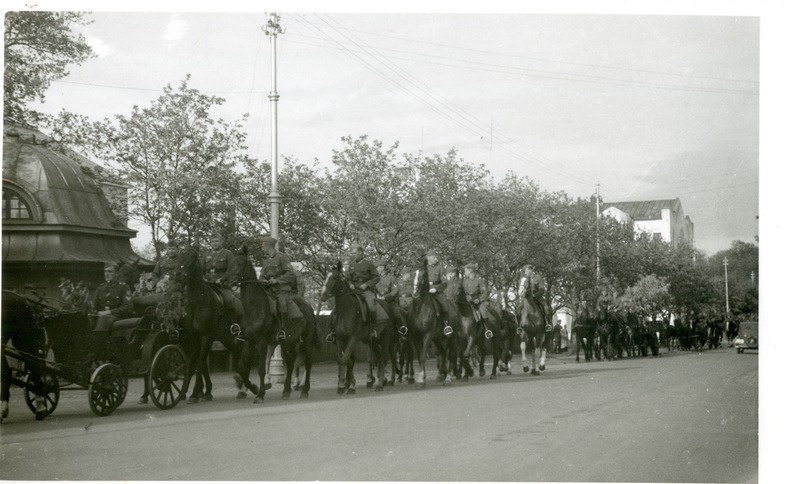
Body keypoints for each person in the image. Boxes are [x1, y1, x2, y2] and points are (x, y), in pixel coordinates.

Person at [258, 235, 302, 341]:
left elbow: (291, 274)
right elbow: (262, 275)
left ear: (269, 245)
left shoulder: (282, 257)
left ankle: (283, 329)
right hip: (268, 290)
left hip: (281, 289)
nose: (262, 247)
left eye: (263, 244)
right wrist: (263, 280)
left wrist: (277, 280)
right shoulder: (266, 261)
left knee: (281, 303)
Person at [205, 233, 244, 322]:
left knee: (229, 300)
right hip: (208, 285)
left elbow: (232, 270)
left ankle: (234, 323)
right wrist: (205, 279)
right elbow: (202, 270)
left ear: (221, 242)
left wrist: (222, 279)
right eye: (212, 241)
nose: (214, 243)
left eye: (216, 241)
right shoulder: (206, 255)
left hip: (222, 285)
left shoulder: (227, 254)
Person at [346, 245, 381, 338]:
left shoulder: (368, 264)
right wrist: (350, 284)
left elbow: (377, 277)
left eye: (354, 253)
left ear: (360, 253)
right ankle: (334, 330)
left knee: (371, 306)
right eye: (351, 253)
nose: (352, 255)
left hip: (366, 290)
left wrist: (366, 284)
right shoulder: (351, 265)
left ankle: (373, 328)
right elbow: (348, 278)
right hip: (353, 290)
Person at [92, 263, 132, 330]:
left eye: (110, 272)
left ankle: (97, 340)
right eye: (105, 271)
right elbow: (94, 305)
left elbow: (127, 307)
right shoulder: (100, 288)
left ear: (116, 274)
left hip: (117, 317)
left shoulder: (123, 287)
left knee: (103, 318)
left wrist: (108, 312)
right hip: (101, 316)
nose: (106, 274)